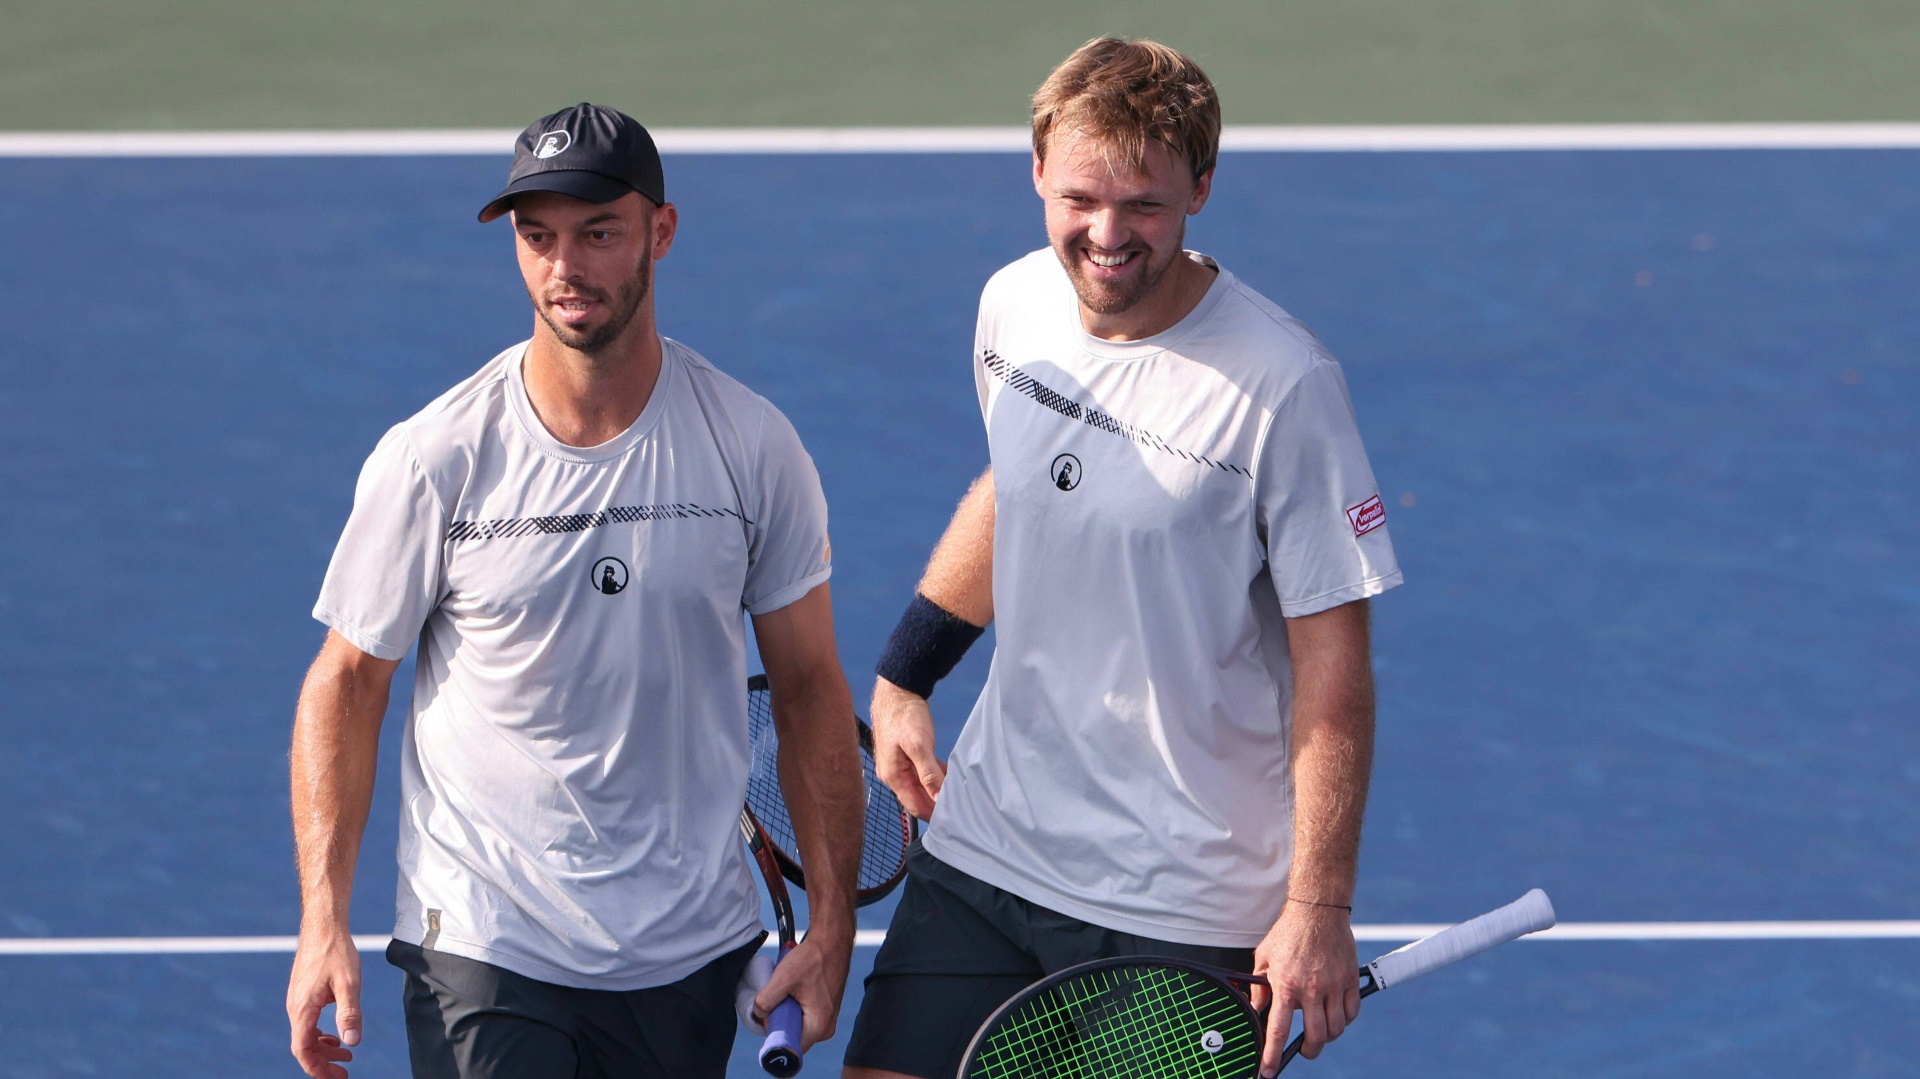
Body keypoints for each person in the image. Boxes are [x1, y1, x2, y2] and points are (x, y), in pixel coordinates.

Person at [842, 39, 1403, 1079]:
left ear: (1201, 187)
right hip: (988, 851)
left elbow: (1336, 669)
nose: (1107, 235)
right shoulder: (1014, 306)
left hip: (1180, 897)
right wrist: (907, 669)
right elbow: (1027, 485)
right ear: (1039, 174)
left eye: (1143, 204)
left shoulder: (1282, 386)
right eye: (1081, 198)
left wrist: (1318, 904)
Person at [284, 102, 864, 1079]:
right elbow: (346, 683)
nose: (566, 267)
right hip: (486, 937)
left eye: (598, 232)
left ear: (661, 232)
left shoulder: (751, 447)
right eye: (538, 236)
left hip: (685, 946)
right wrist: (322, 922)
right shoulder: (438, 458)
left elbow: (808, 687)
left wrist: (834, 924)